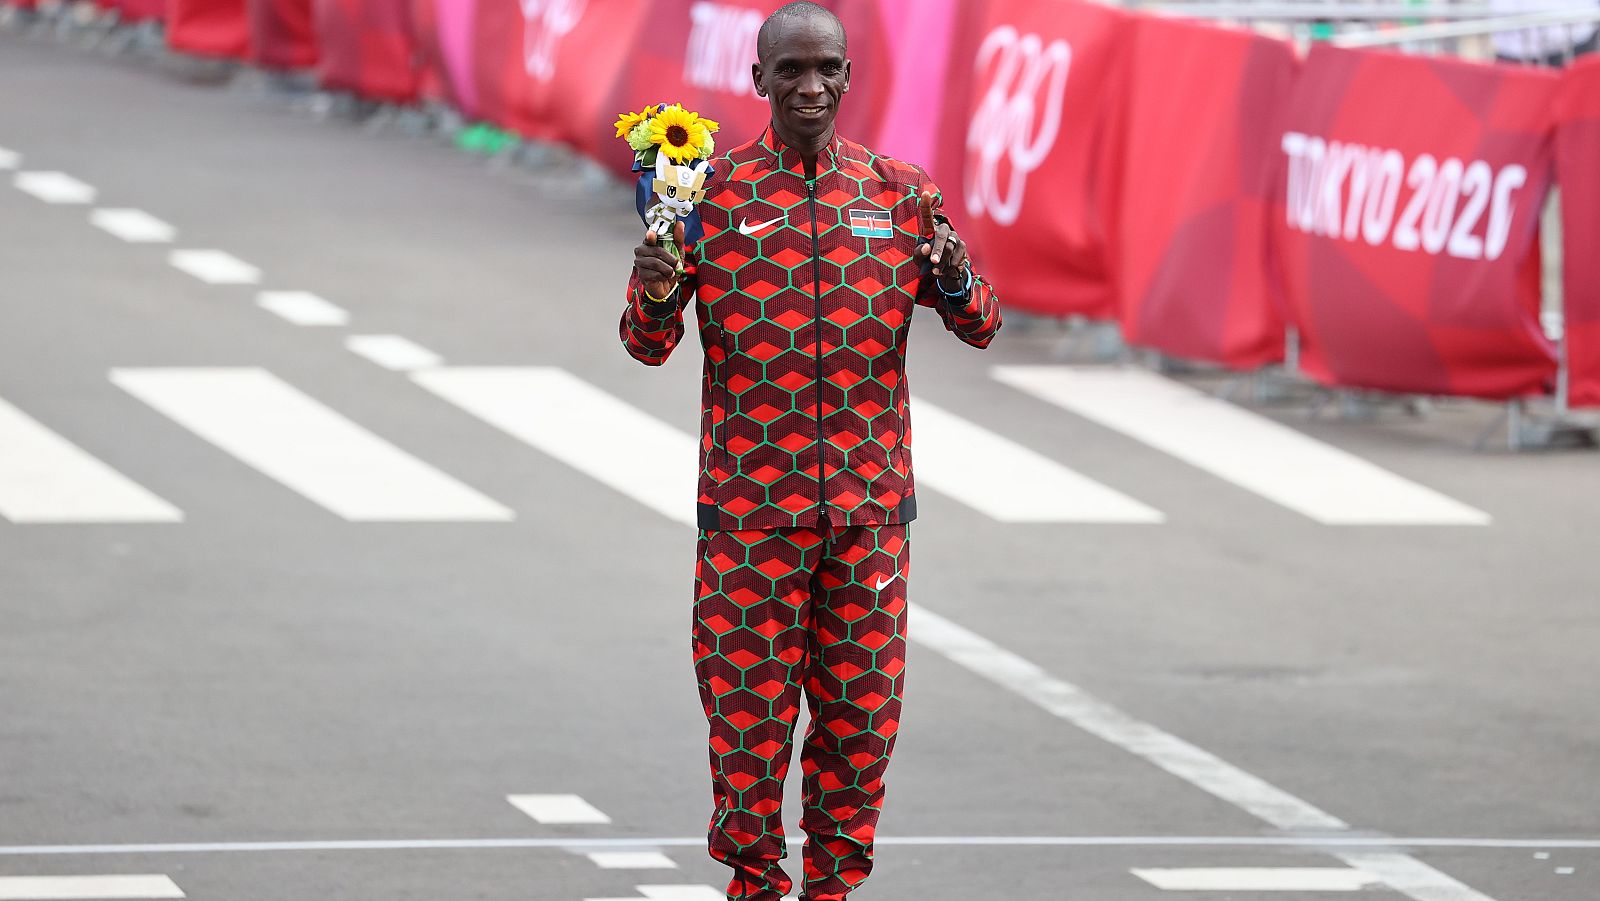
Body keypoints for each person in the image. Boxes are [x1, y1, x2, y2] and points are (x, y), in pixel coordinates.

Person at [620, 4, 1000, 898]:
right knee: (747, 730)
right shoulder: (704, 196)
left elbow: (981, 323)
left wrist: (949, 269)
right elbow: (646, 342)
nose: (810, 86)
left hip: (870, 519)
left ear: (848, 77)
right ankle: (755, 882)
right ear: (758, 80)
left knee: (858, 728)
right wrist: (653, 285)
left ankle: (834, 888)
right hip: (750, 520)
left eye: (826, 68)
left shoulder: (901, 192)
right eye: (789, 69)